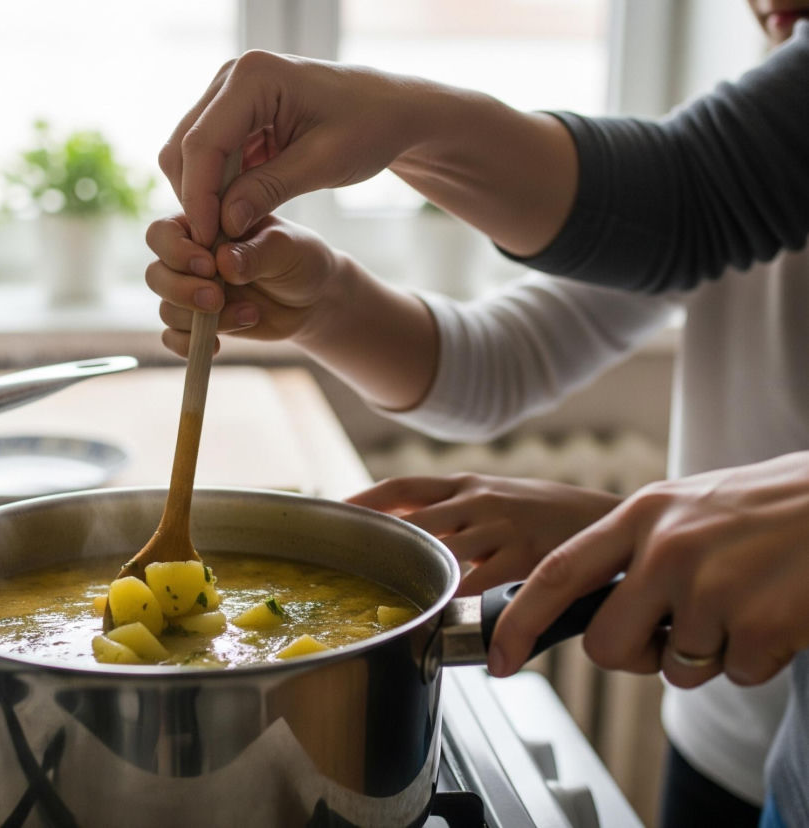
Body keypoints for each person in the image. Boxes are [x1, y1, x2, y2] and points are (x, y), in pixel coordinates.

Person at [146, 6, 809, 827]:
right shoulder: (776, 125)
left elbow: (683, 197)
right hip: (728, 721)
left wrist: (400, 118)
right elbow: (502, 360)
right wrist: (325, 301)